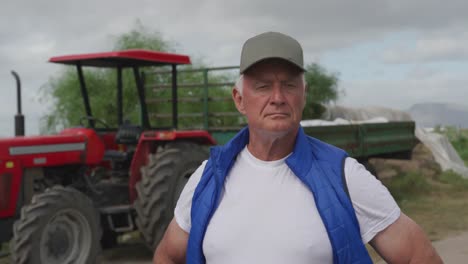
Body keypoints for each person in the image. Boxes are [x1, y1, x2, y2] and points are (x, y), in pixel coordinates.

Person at [153, 31, 442, 264]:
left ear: (303, 95)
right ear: (239, 99)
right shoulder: (208, 178)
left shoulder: (343, 176)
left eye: (289, 85)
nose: (278, 97)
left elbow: (420, 256)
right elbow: (167, 255)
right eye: (263, 86)